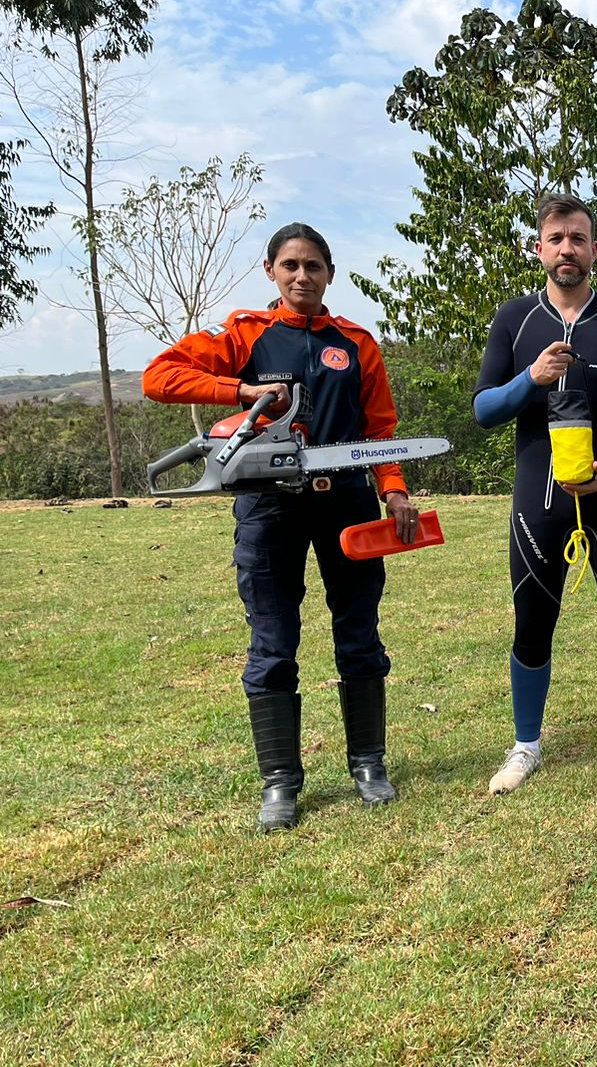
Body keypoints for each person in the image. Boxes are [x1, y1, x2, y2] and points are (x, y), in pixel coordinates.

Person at [142, 222, 420, 831]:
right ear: (271, 271)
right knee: (272, 641)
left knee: (360, 633)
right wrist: (241, 390)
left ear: (329, 273)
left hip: (346, 500)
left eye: (313, 266)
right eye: (290, 265)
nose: (302, 276)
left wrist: (393, 491)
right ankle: (280, 782)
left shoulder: (355, 343)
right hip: (268, 508)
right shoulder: (246, 333)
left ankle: (368, 763)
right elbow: (159, 377)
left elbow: (380, 431)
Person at [473, 193, 597, 789]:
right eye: (557, 238)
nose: (568, 249)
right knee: (532, 620)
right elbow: (484, 410)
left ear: (594, 248)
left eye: (579, 238)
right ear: (540, 248)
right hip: (540, 501)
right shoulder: (515, 318)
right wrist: (530, 378)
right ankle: (525, 747)